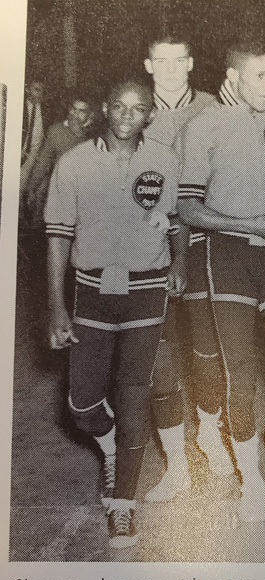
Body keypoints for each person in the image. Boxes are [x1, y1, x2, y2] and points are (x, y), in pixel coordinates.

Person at [45, 80, 182, 548]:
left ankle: (122, 502)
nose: (127, 115)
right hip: (91, 291)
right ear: (105, 108)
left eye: (138, 108)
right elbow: (58, 237)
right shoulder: (74, 162)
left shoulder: (164, 160)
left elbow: (172, 219)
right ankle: (107, 443)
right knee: (82, 405)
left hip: (146, 288)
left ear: (149, 116)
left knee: (133, 394)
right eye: (119, 106)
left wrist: (178, 262)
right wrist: (57, 307)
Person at [178, 38, 265, 523]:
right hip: (228, 255)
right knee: (241, 375)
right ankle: (250, 480)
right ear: (232, 77)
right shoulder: (203, 125)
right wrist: (248, 223)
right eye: (259, 75)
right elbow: (188, 207)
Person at [141, 33, 234, 504]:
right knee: (156, 359)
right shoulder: (131, 110)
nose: (172, 68)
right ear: (149, 64)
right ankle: (176, 466)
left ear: (192, 62)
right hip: (146, 246)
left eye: (180, 59)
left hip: (200, 241)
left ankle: (211, 433)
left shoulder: (213, 108)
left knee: (207, 348)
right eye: (163, 60)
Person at [24, 92, 95, 227]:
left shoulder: (97, 135)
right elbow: (43, 162)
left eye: (82, 111)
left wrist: (80, 133)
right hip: (60, 193)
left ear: (90, 115)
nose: (75, 114)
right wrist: (31, 188)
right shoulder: (56, 131)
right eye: (73, 109)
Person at [21, 80, 46, 191]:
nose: (40, 93)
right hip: (20, 151)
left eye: (42, 90)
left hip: (34, 154)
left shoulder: (47, 110)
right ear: (27, 90)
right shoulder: (19, 107)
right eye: (36, 89)